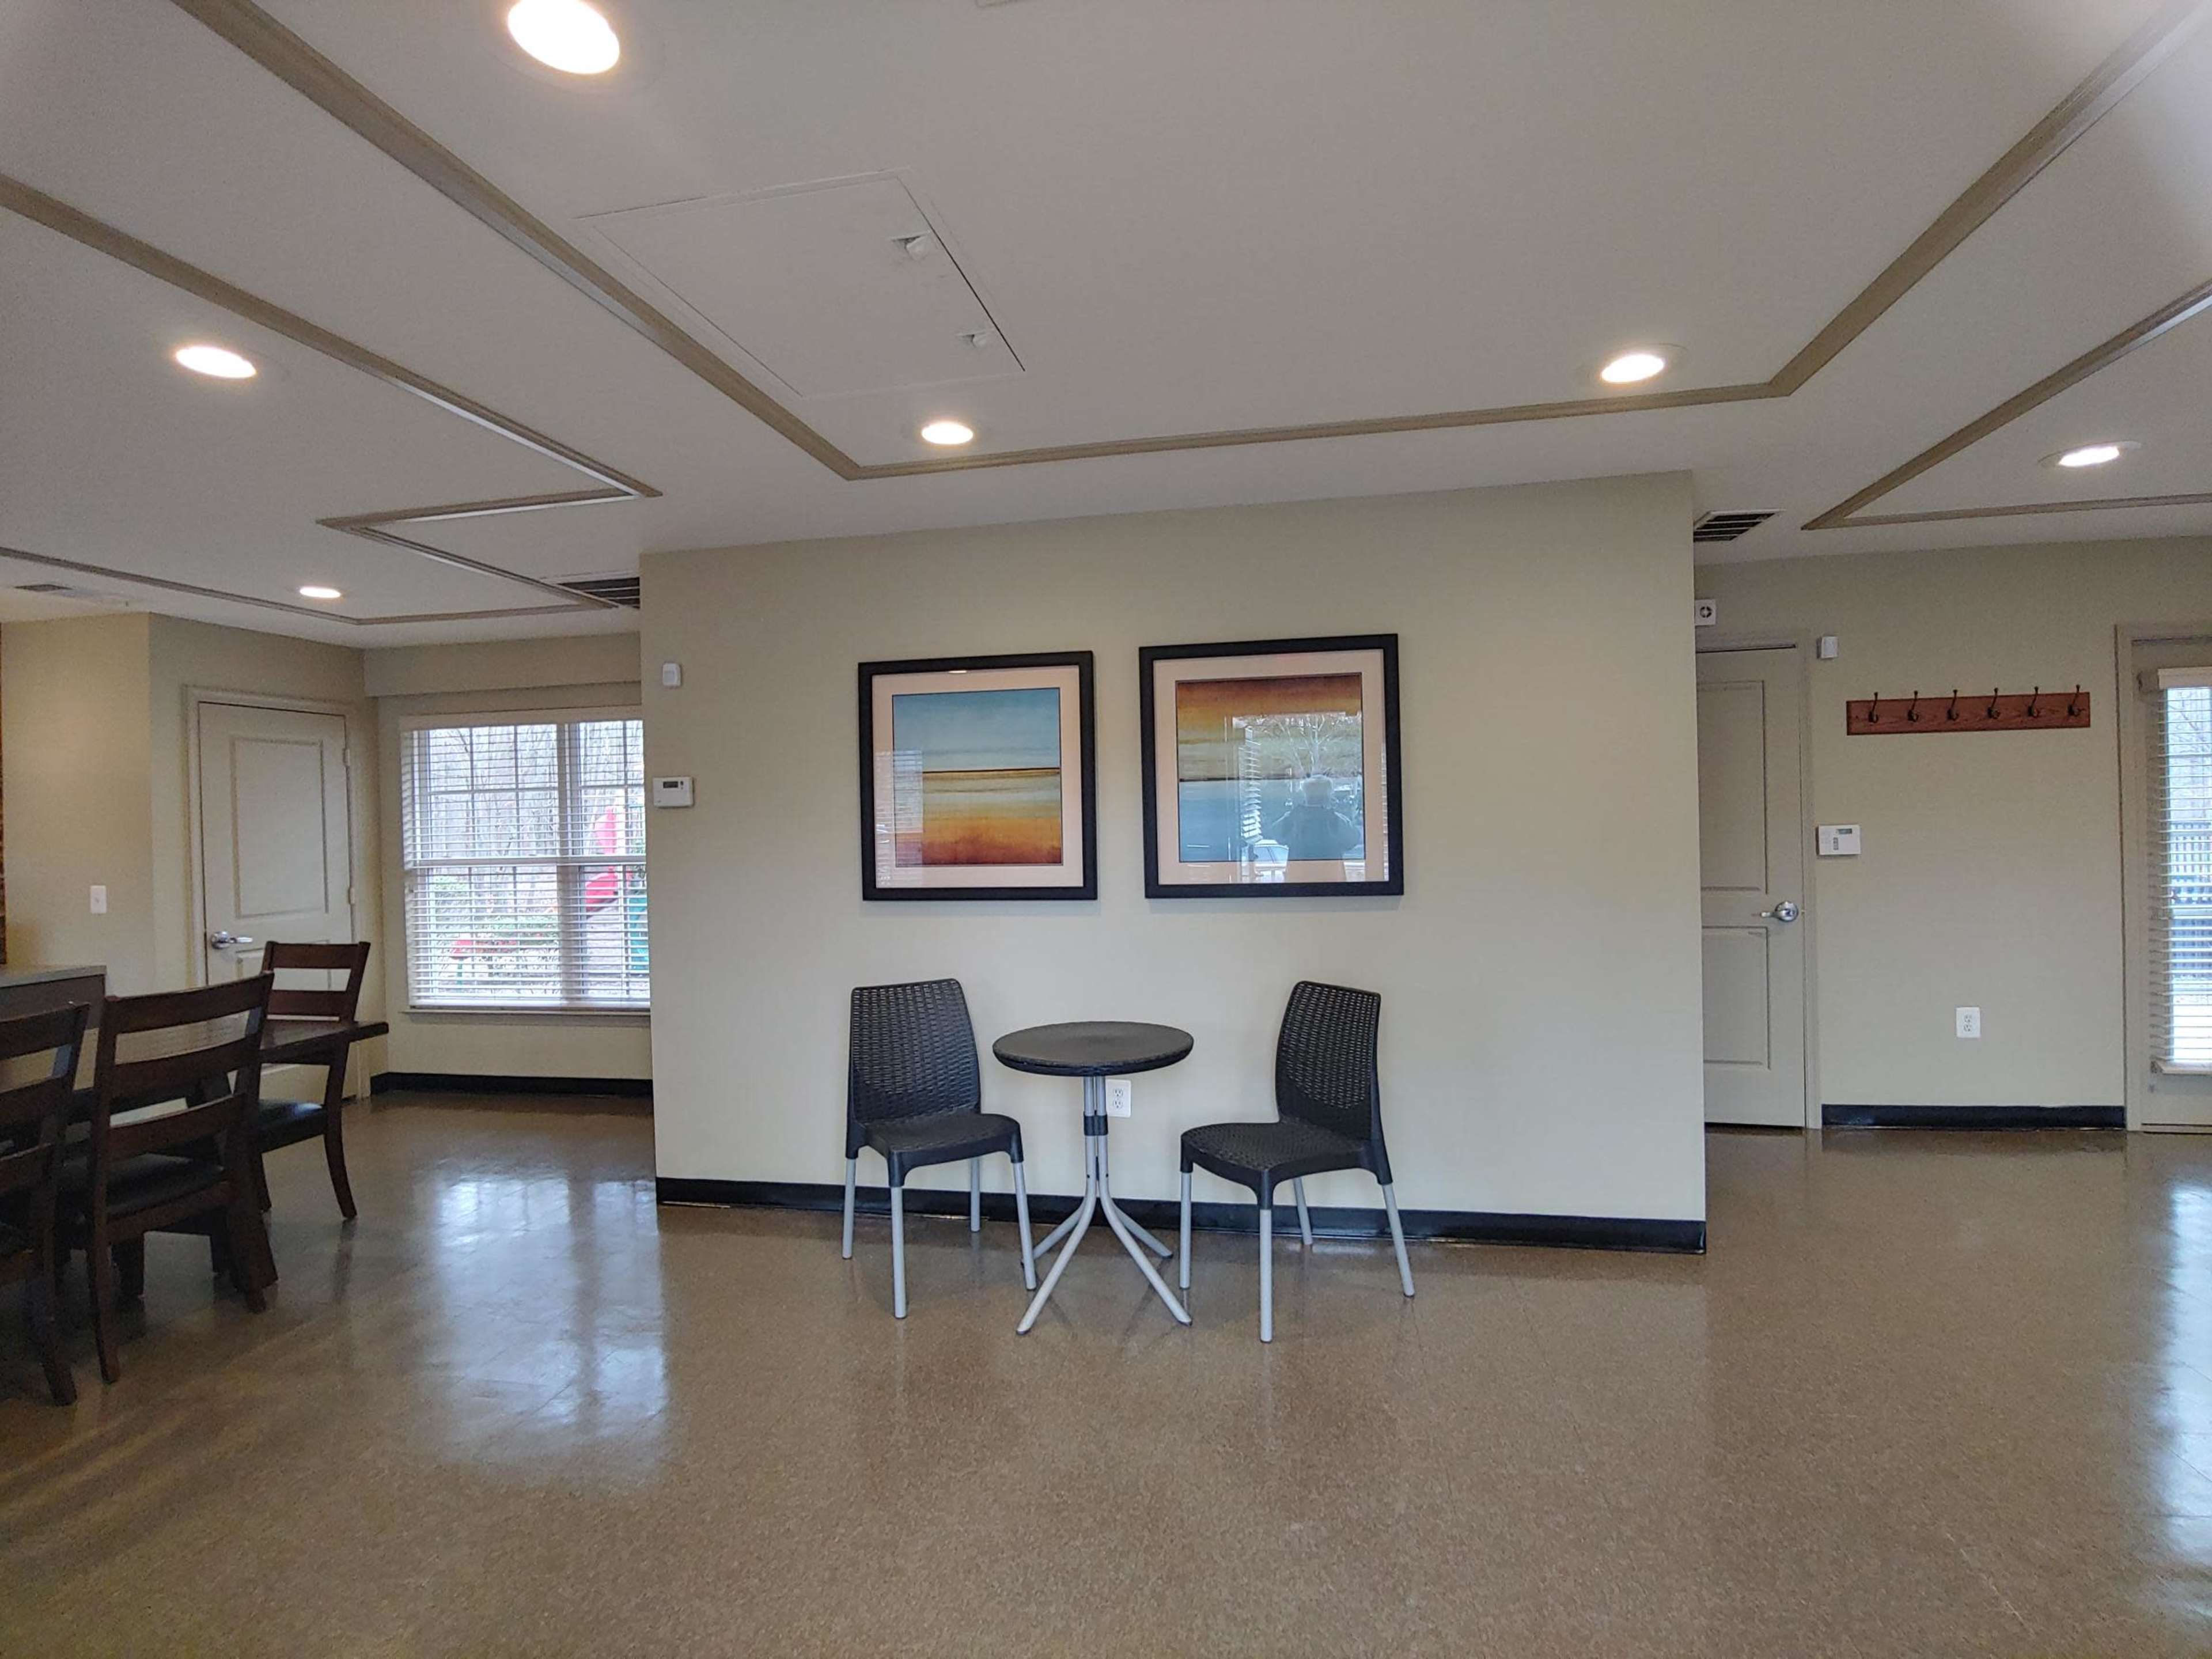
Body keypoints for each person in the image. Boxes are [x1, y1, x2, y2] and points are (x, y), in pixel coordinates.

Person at [1266, 775, 1358, 862]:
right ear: (1328, 796)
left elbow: (1276, 834)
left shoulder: (1293, 818)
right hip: (1331, 874)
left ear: (1306, 795)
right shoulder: (1336, 820)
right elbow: (1353, 841)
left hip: (1299, 875)